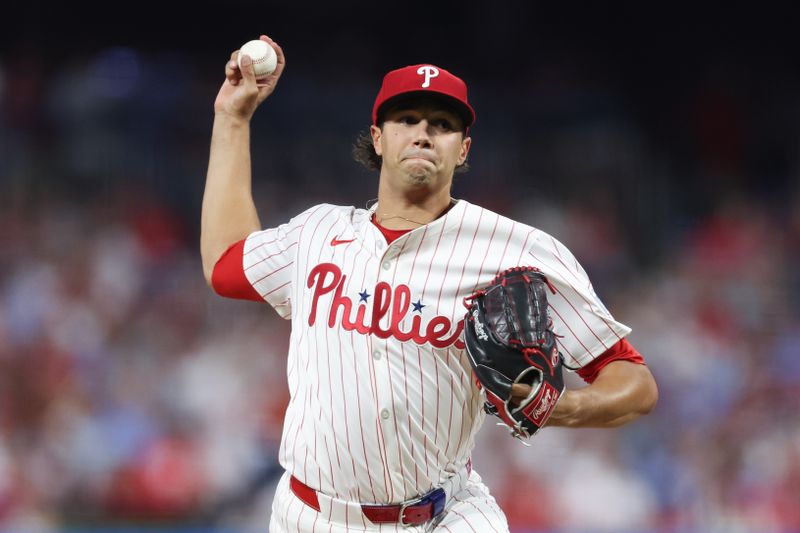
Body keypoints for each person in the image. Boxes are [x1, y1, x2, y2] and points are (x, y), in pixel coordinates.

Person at [201, 34, 658, 533]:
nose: (423, 134)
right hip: (312, 515)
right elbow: (225, 265)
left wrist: (562, 406)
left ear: (463, 149)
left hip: (443, 515)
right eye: (406, 121)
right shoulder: (317, 232)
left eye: (441, 125)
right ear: (378, 138)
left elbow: (633, 381)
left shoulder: (515, 250)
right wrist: (233, 117)